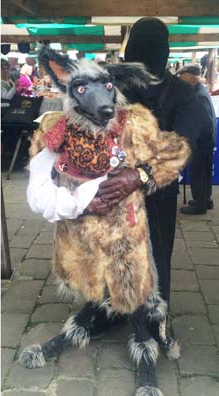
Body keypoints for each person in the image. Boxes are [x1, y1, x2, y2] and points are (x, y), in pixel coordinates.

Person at [89, 17, 203, 336]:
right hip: (112, 188)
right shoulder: (115, 87)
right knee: (109, 248)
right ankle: (111, 307)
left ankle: (154, 314)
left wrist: (140, 174)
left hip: (156, 188)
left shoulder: (182, 93)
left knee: (155, 250)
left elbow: (184, 143)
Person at [177, 64, 217, 214]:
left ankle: (199, 205)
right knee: (204, 171)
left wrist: (192, 141)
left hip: (201, 141)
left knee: (198, 172)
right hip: (207, 139)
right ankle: (205, 200)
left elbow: (202, 122)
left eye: (182, 76)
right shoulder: (200, 91)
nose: (181, 80)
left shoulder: (197, 95)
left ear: (191, 77)